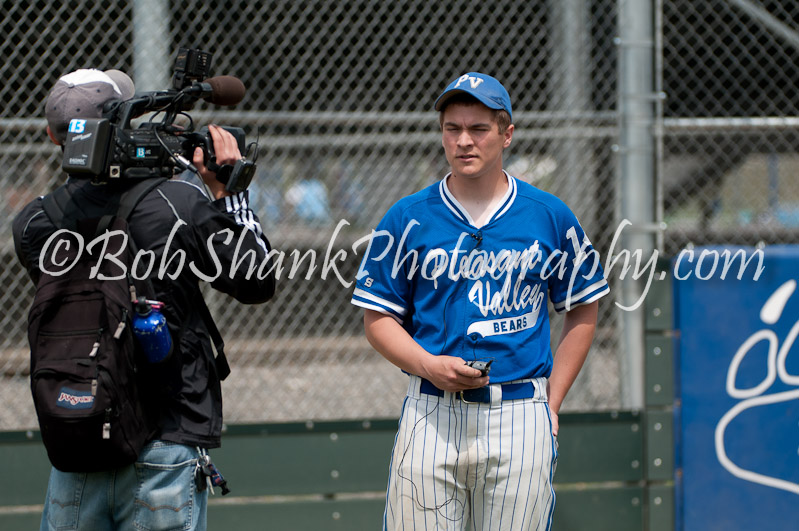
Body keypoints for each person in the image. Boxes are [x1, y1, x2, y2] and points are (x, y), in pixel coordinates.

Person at [13, 68, 275, 530]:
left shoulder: (34, 223)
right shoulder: (176, 204)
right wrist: (229, 192)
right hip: (164, 438)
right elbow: (256, 280)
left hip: (77, 436)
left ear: (55, 138)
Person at [351, 72, 609, 530]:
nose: (464, 141)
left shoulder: (547, 215)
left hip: (519, 412)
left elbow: (584, 307)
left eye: (479, 129)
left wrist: (552, 402)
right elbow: (378, 320)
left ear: (507, 135)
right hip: (431, 411)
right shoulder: (408, 217)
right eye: (453, 129)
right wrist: (428, 365)